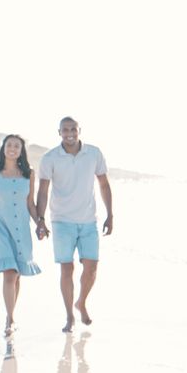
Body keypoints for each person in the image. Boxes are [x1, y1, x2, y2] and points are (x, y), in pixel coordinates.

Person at [34, 116, 113, 333]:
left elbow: (104, 184)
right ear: (58, 132)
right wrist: (40, 220)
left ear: (79, 130)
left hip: (89, 220)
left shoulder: (94, 153)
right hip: (61, 221)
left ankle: (81, 302)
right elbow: (42, 191)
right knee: (66, 268)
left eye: (73, 129)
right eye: (65, 129)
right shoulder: (50, 158)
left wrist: (110, 214)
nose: (69, 133)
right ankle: (69, 316)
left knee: (92, 267)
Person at [0, 133, 43, 336]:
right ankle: (11, 319)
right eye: (9, 145)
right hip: (1, 227)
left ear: (21, 150)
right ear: (3, 148)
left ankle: (10, 315)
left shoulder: (29, 174)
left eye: (17, 146)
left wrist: (40, 224)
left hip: (22, 227)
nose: (12, 148)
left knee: (17, 275)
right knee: (10, 272)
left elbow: (30, 203)